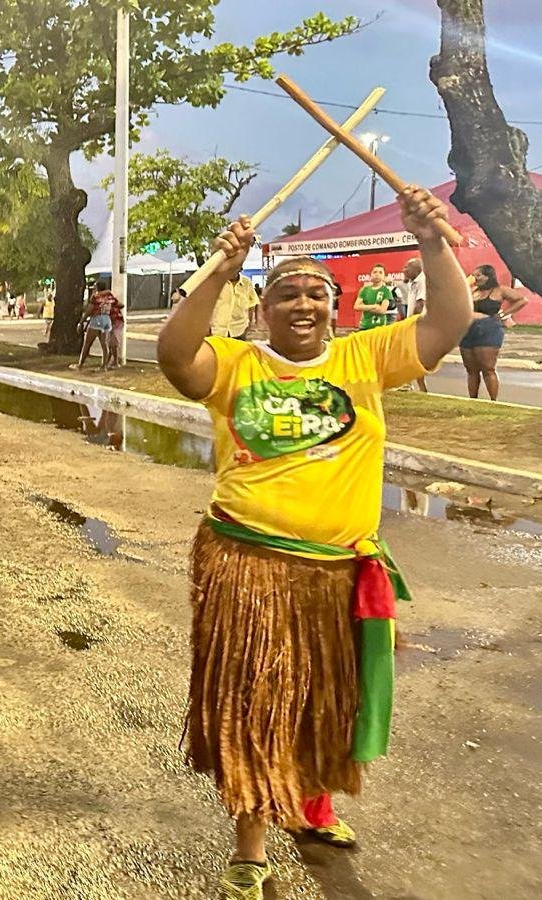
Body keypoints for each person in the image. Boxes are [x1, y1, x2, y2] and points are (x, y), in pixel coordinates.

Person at [154, 187, 471, 900]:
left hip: (337, 571)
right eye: (287, 294)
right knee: (255, 705)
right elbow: (175, 356)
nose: (302, 305)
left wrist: (431, 239)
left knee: (326, 701)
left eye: (316, 295)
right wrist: (219, 271)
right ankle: (250, 846)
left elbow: (451, 322)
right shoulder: (237, 366)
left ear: (336, 308)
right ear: (263, 309)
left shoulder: (366, 359)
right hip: (250, 566)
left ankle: (310, 806)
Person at [460, 263, 527, 401]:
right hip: (467, 330)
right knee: (471, 370)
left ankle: (493, 401)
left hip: (488, 329)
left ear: (488, 276)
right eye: (474, 275)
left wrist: (503, 314)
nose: (475, 278)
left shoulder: (499, 290)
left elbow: (521, 300)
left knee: (487, 368)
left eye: (478, 275)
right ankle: (472, 399)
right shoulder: (473, 290)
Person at [398, 258, 429, 391]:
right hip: (416, 324)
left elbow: (420, 304)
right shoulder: (414, 282)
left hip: (418, 325)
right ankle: (414, 386)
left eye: (407, 267)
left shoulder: (422, 281)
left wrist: (412, 324)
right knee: (411, 356)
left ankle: (415, 386)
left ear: (417, 269)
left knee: (411, 356)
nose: (403, 270)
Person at [74, 280, 117, 370]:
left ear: (97, 287)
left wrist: (82, 321)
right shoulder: (109, 296)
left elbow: (89, 310)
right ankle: (104, 366)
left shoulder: (95, 296)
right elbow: (117, 304)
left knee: (87, 343)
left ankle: (80, 365)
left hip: (97, 319)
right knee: (104, 344)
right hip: (106, 319)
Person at [211, 266, 260, 340]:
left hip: (240, 330)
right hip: (218, 331)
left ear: (240, 270)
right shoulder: (217, 283)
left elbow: (253, 304)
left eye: (235, 270)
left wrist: (251, 323)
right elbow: (207, 306)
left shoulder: (246, 283)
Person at [355, 264, 393, 331]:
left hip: (379, 328)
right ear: (371, 274)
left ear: (384, 276)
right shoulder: (364, 290)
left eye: (380, 272)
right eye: (375, 272)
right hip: (364, 326)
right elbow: (356, 306)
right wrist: (374, 306)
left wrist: (364, 307)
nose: (377, 274)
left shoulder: (386, 291)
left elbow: (382, 311)